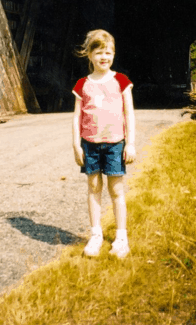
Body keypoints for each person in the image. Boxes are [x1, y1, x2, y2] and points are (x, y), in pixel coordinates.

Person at [72, 29, 136, 258]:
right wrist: (76, 145)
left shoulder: (121, 81)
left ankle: (121, 237)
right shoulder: (82, 85)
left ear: (114, 54)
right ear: (89, 54)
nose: (104, 57)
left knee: (116, 190)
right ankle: (96, 235)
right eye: (99, 52)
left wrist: (131, 143)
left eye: (108, 52)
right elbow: (77, 117)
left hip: (115, 144)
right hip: (89, 144)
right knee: (93, 188)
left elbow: (129, 114)